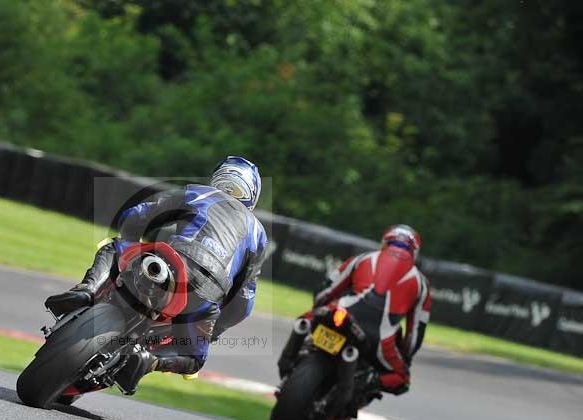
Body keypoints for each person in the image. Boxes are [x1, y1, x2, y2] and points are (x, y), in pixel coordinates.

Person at [45, 156, 267, 392]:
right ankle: (149, 361)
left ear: (217, 178)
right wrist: (217, 329)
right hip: (208, 291)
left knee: (114, 246)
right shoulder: (257, 233)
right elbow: (243, 301)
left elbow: (137, 214)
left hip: (169, 258)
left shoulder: (198, 193)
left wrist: (131, 238)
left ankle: (86, 290)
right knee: (193, 359)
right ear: (252, 195)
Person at [277, 224, 431, 397]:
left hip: (341, 314)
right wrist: (406, 357)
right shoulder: (422, 284)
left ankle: (289, 358)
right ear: (415, 252)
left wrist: (317, 309)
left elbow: (325, 292)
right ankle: (365, 383)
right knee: (402, 378)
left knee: (304, 320)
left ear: (384, 242)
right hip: (379, 338)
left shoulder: (362, 258)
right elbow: (415, 333)